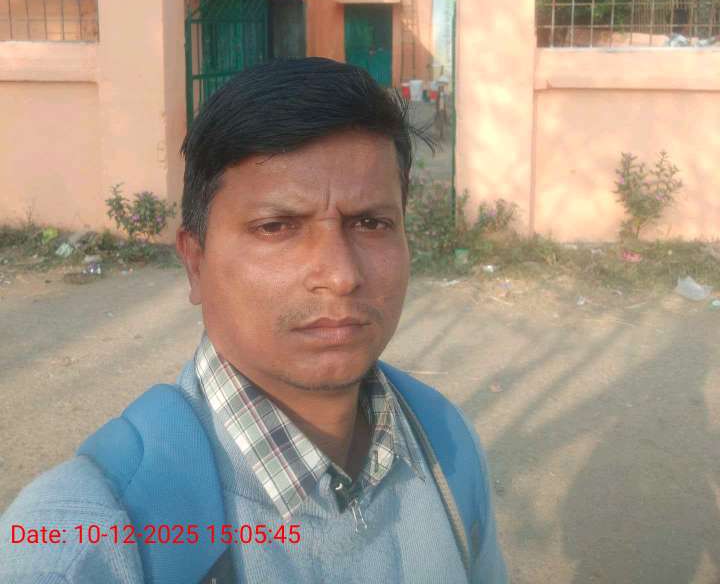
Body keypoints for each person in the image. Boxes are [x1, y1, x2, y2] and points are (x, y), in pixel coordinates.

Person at [0, 57, 507, 584]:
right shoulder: (82, 544)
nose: (340, 275)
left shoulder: (444, 445)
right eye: (276, 227)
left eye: (371, 223)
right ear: (195, 262)